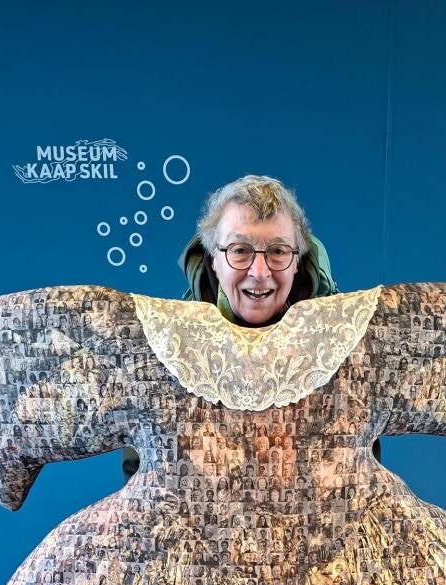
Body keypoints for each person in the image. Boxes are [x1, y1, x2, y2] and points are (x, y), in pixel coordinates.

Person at [122, 174, 381, 476]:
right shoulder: (170, 347)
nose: (259, 272)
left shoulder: (341, 345)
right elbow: (141, 467)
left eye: (278, 251)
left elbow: (363, 461)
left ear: (297, 261)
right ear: (214, 258)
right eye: (240, 250)